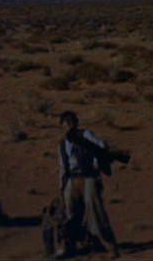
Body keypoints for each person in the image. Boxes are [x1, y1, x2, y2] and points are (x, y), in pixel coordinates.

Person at [57, 111, 120, 259]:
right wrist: (62, 186)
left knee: (96, 212)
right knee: (70, 214)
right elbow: (63, 166)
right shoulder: (62, 143)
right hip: (72, 179)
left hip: (89, 177)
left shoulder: (86, 135)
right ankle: (71, 246)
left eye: (70, 123)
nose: (68, 126)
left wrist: (96, 162)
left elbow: (101, 147)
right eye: (65, 124)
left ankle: (111, 246)